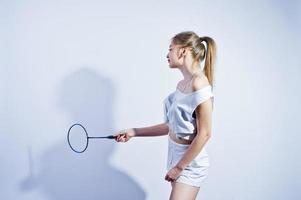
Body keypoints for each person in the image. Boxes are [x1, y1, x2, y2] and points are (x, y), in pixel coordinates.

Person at [114, 31, 216, 200]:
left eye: (170, 49)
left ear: (182, 51)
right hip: (175, 156)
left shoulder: (200, 84)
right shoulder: (182, 84)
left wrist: (179, 168)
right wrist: (133, 131)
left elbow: (205, 134)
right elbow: (171, 126)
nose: (167, 54)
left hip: (190, 163)